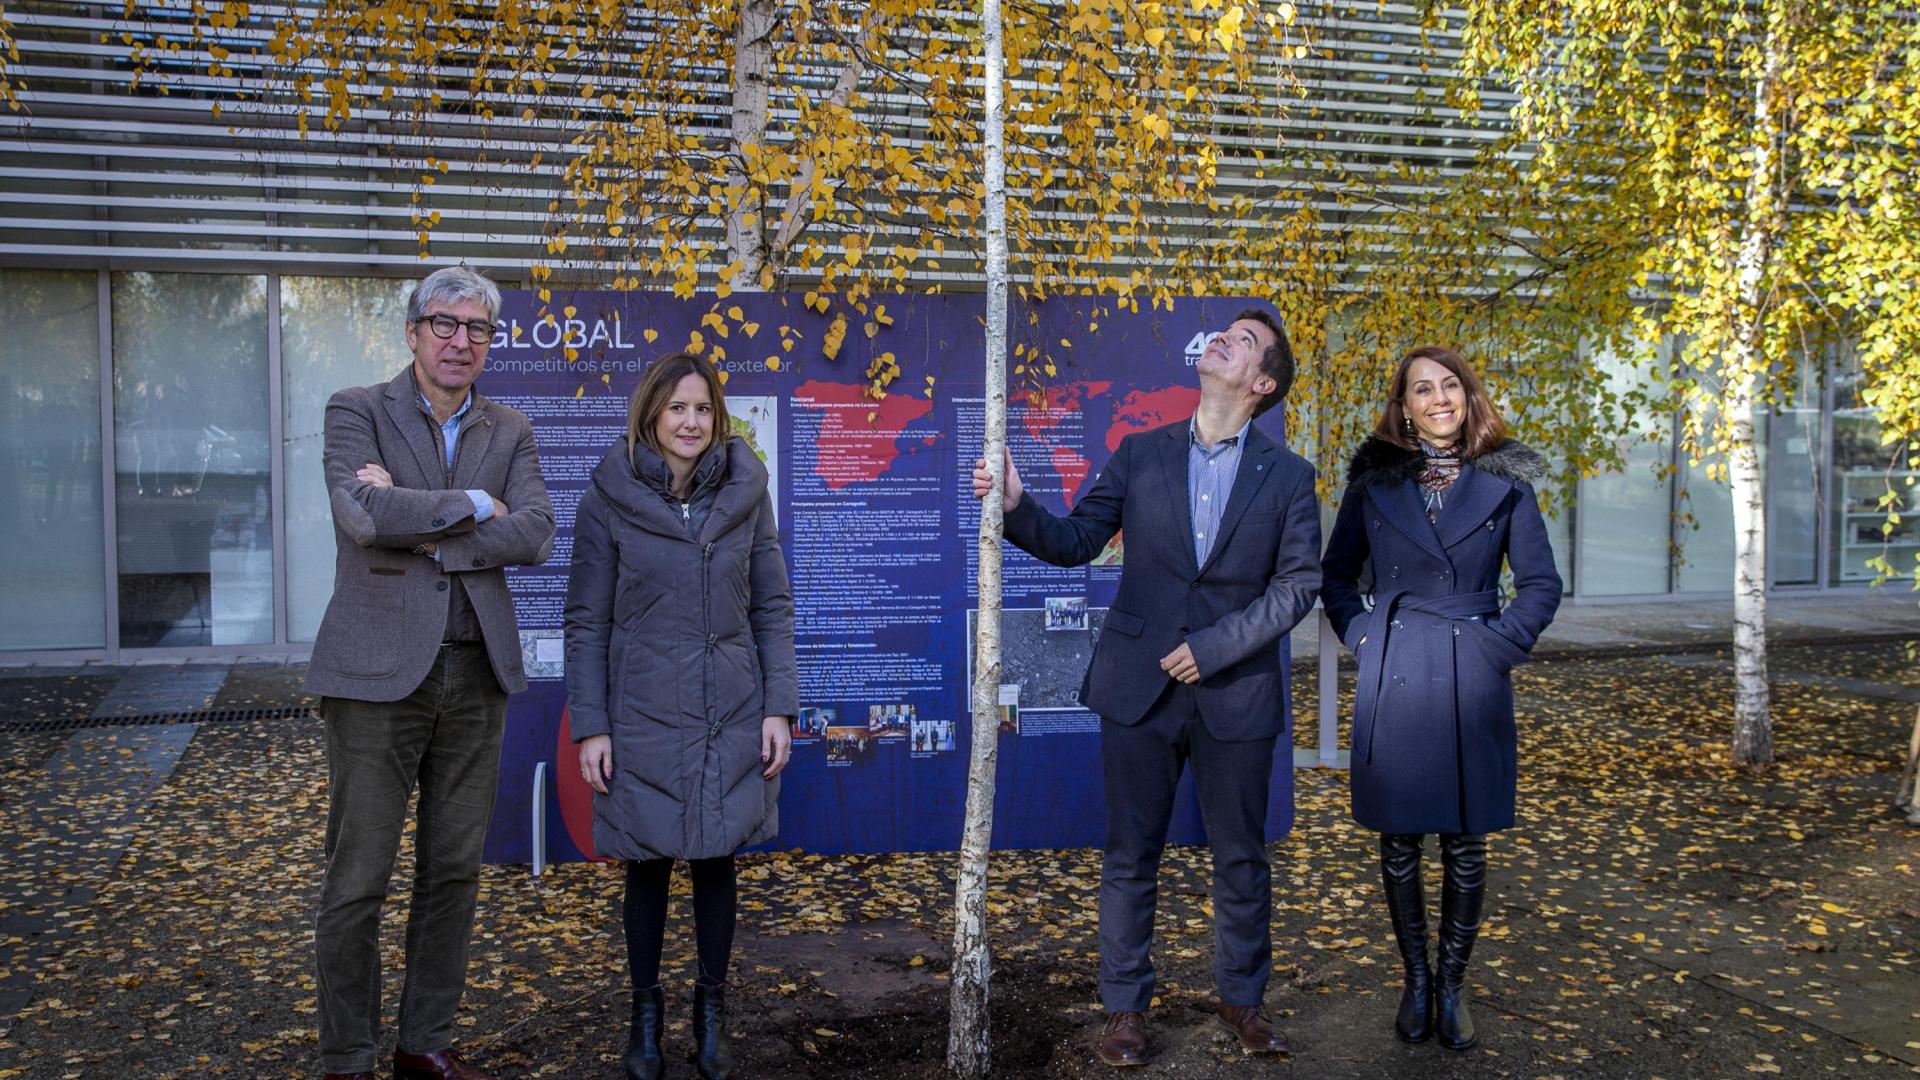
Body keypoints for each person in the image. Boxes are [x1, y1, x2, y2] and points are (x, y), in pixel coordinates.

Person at [971, 308, 1321, 1065]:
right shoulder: (1140, 453)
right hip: (1138, 690)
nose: (1225, 338)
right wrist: (1014, 507)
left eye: (1246, 341)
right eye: (1224, 331)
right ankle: (1125, 1012)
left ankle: (1243, 1002)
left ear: (1261, 384)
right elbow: (1074, 542)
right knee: (1131, 855)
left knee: (1241, 859)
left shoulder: (1290, 478)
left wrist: (1214, 648)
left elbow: (1296, 589)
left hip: (1236, 691)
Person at [307, 265, 556, 1080]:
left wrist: (427, 522)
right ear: (413, 331)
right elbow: (360, 514)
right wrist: (476, 505)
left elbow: (537, 533)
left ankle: (423, 1043)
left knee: (451, 870)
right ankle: (348, 1055)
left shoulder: (510, 428)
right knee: (359, 877)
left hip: (477, 672)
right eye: (444, 324)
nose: (460, 341)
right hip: (376, 675)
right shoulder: (356, 408)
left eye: (477, 329)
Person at [1320, 345, 1561, 1051]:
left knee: (1464, 839)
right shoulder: (1373, 483)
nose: (1437, 399)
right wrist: (1364, 637)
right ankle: (1415, 981)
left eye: (1448, 386)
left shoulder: (1508, 482)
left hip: (1470, 669)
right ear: (1404, 406)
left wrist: (1497, 646)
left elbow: (1542, 585)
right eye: (1421, 390)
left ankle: (1453, 987)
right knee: (1400, 840)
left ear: (1468, 396)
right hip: (1395, 664)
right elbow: (1336, 575)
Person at [564, 352, 796, 1080]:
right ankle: (644, 1018)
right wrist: (591, 725)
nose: (691, 421)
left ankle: (712, 1016)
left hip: (729, 708)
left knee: (717, 858)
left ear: (716, 417)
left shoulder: (747, 494)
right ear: (651, 416)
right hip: (641, 712)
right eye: (677, 409)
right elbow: (585, 621)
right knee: (647, 862)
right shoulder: (607, 498)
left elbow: (772, 607)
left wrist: (778, 708)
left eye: (702, 409)